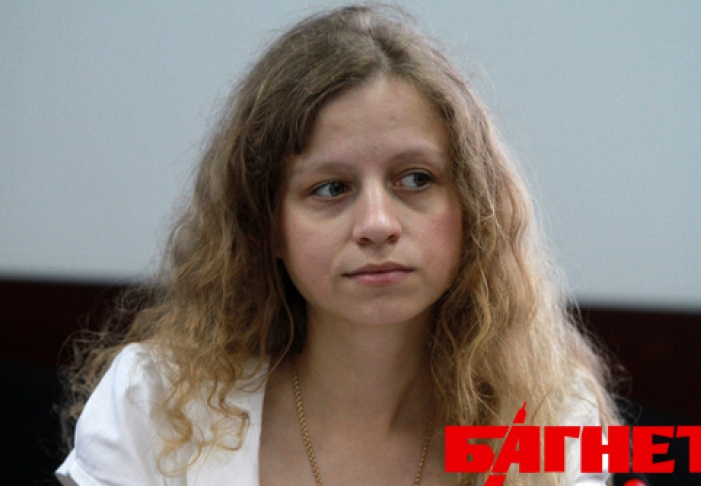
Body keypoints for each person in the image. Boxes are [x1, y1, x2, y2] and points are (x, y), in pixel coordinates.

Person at [56, 5, 618, 485]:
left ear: (474, 207)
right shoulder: (153, 404)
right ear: (267, 227)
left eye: (416, 178)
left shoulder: (551, 417)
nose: (377, 224)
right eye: (330, 188)